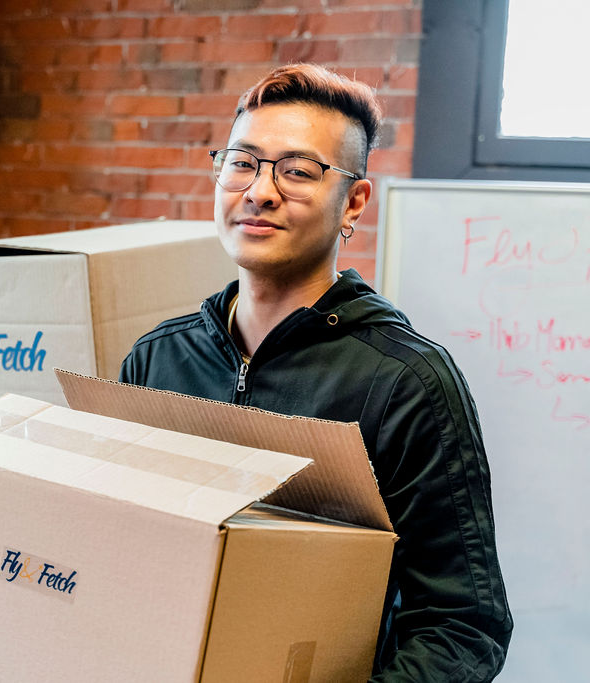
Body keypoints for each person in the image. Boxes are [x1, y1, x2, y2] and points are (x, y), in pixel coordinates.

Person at [119, 64, 512, 680]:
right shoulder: (157, 359)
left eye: (298, 171)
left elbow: (463, 627)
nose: (260, 191)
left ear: (353, 201)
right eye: (242, 162)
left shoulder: (407, 383)